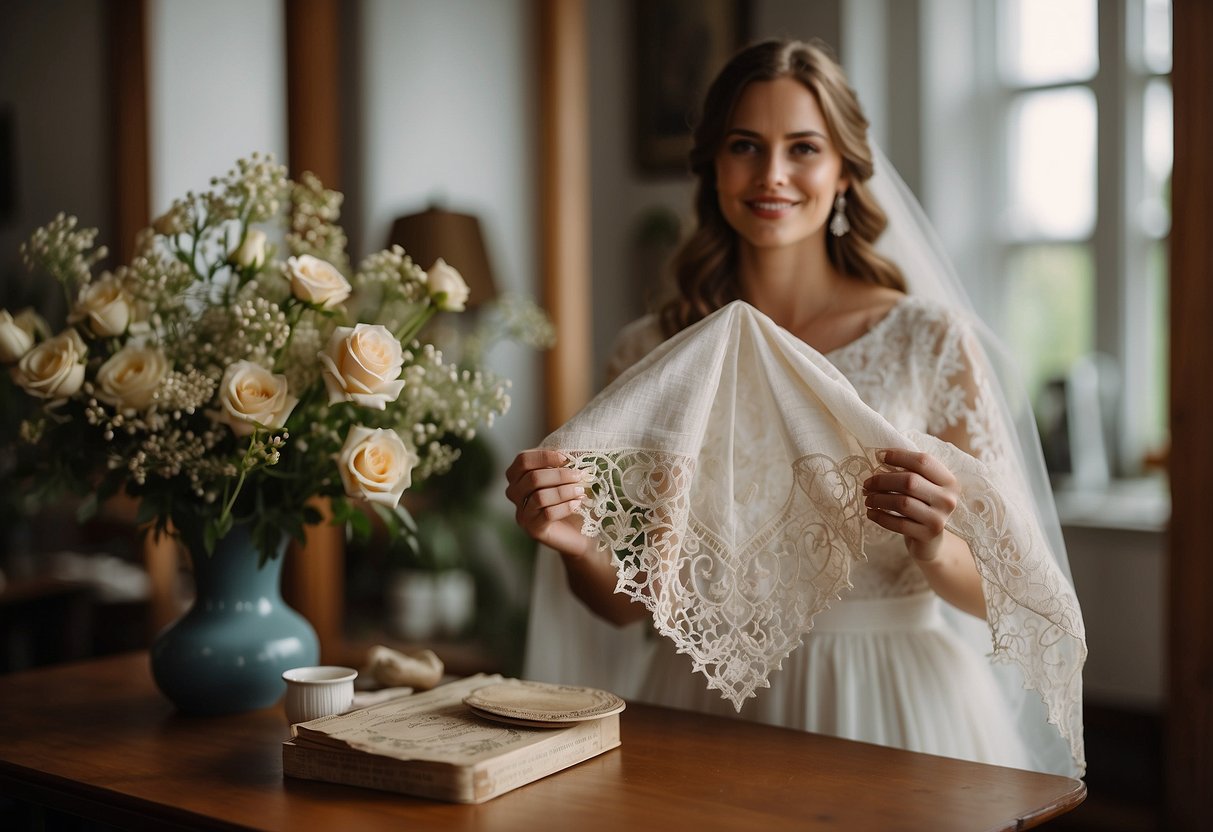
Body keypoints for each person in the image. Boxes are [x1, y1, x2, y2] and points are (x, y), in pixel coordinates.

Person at [505, 39, 1085, 777]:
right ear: (713, 165)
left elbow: (1003, 589)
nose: (771, 175)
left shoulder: (927, 341)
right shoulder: (649, 354)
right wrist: (576, 541)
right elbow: (628, 607)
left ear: (843, 171)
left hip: (892, 704)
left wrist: (933, 542)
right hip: (707, 707)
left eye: (802, 148)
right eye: (745, 145)